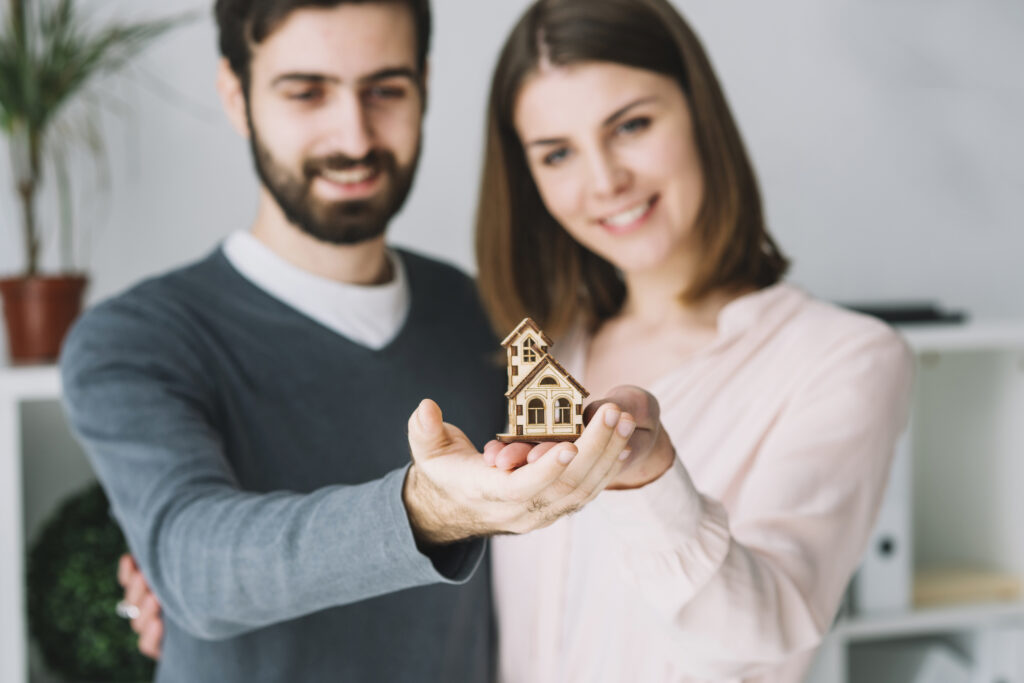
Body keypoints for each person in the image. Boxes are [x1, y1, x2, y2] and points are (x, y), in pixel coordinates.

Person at [60, 1, 659, 681]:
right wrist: (427, 510)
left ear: (424, 88)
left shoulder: (489, 316)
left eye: (385, 90)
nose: (353, 135)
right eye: (307, 92)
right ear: (237, 95)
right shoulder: (132, 340)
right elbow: (196, 565)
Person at [472, 0, 914, 681]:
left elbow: (766, 630)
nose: (604, 180)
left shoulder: (846, 359)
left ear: (699, 112)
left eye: (632, 125)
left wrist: (650, 480)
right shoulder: (541, 356)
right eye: (557, 153)